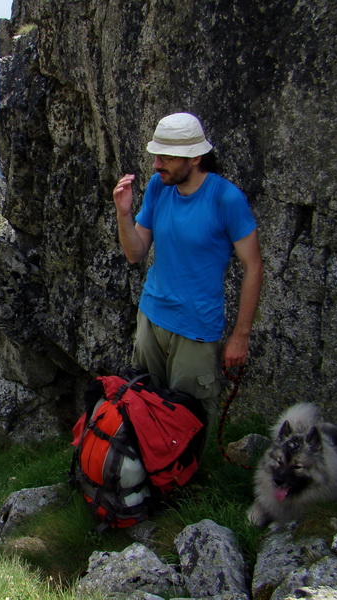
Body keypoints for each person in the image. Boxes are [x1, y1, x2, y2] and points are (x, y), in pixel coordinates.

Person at [112, 112, 263, 421]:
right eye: (156, 156)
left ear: (194, 158)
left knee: (187, 422)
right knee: (142, 411)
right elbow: (135, 253)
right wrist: (123, 214)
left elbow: (254, 267)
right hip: (151, 318)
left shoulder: (226, 199)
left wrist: (240, 336)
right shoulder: (158, 187)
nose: (156, 165)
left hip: (195, 329)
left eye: (166, 157)